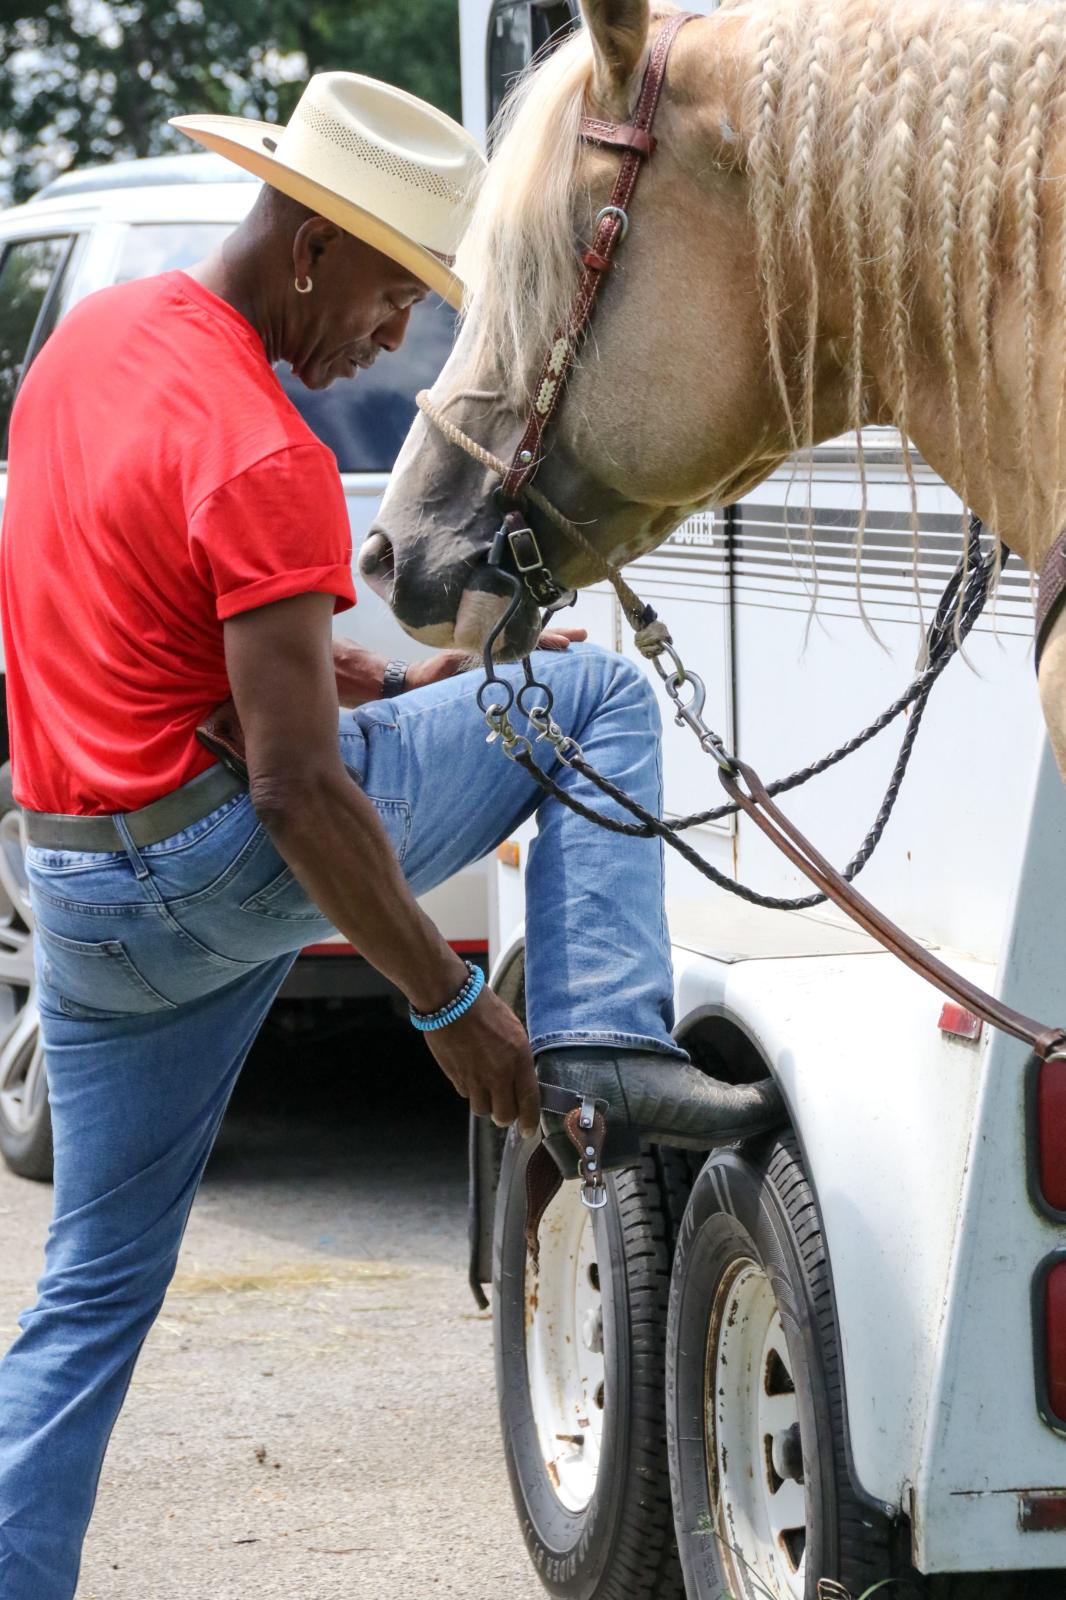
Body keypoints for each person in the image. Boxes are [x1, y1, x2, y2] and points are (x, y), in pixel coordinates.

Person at [0, 72, 780, 1596]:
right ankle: (605, 1049)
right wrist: (447, 1006)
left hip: (79, 890)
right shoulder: (267, 453)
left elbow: (104, 619)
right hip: (218, 866)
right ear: (305, 249)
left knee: (88, 1293)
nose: (397, 339)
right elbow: (297, 792)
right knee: (594, 703)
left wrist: (351, 680)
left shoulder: (86, 351)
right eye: (389, 294)